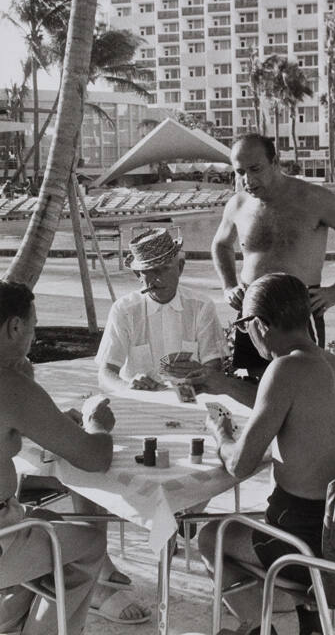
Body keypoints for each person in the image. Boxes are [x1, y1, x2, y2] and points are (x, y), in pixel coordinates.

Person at [198, 273, 335, 635]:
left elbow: (238, 464)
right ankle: (307, 621)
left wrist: (220, 432)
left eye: (243, 327)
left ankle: (257, 627)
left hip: (307, 544)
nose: (245, 335)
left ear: (260, 325)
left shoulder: (284, 368)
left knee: (210, 536)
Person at [0, 280, 135, 635]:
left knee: (46, 520)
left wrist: (51, 416)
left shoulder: (13, 381)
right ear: (15, 326)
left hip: (11, 521)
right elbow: (93, 458)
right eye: (33, 326)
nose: (33, 335)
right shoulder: (10, 386)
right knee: (89, 544)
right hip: (2, 536)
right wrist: (98, 425)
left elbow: (13, 427)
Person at [211, 134, 335, 378]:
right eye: (240, 172)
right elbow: (220, 245)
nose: (247, 179)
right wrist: (228, 285)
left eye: (255, 169)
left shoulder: (313, 198)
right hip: (251, 307)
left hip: (298, 308)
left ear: (275, 162)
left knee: (304, 382)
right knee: (254, 383)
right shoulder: (237, 204)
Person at [97, 227, 228, 393]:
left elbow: (214, 367)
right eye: (149, 271)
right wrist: (127, 386)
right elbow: (106, 373)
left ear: (180, 267)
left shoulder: (201, 306)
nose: (157, 278)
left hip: (192, 398)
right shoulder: (124, 310)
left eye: (165, 268)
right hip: (140, 400)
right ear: (138, 275)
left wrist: (200, 373)